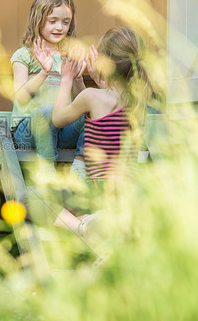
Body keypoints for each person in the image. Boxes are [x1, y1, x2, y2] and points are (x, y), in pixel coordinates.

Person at [50, 25, 152, 234]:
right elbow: (98, 107)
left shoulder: (93, 98)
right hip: (126, 193)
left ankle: (82, 227)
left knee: (30, 197)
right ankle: (101, 220)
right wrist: (92, 80)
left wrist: (67, 79)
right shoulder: (140, 102)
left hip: (96, 191)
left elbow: (58, 118)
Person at [10, 0, 90, 174]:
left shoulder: (68, 58)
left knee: (92, 109)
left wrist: (77, 78)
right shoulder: (24, 55)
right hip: (28, 132)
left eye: (65, 22)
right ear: (38, 20)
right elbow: (20, 96)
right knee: (47, 111)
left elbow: (80, 100)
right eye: (53, 21)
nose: (59, 27)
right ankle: (47, 172)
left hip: (62, 131)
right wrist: (44, 72)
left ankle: (80, 167)